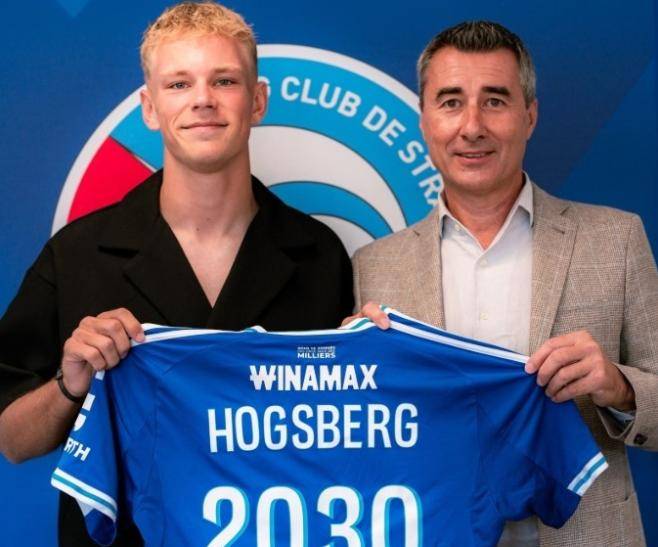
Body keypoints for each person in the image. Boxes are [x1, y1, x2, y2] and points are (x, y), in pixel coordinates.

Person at [0, 2, 353, 545]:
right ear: (149, 106)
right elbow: (12, 440)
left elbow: (347, 435)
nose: (203, 99)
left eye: (225, 80)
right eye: (179, 84)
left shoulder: (320, 255)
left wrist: (372, 360)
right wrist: (71, 385)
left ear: (258, 100)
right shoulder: (78, 254)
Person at [349, 21, 658, 547]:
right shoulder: (375, 266)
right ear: (424, 119)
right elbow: (368, 438)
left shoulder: (616, 240)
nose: (472, 126)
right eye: (451, 102)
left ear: (529, 116)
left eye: (495, 101)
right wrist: (351, 374)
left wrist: (618, 387)